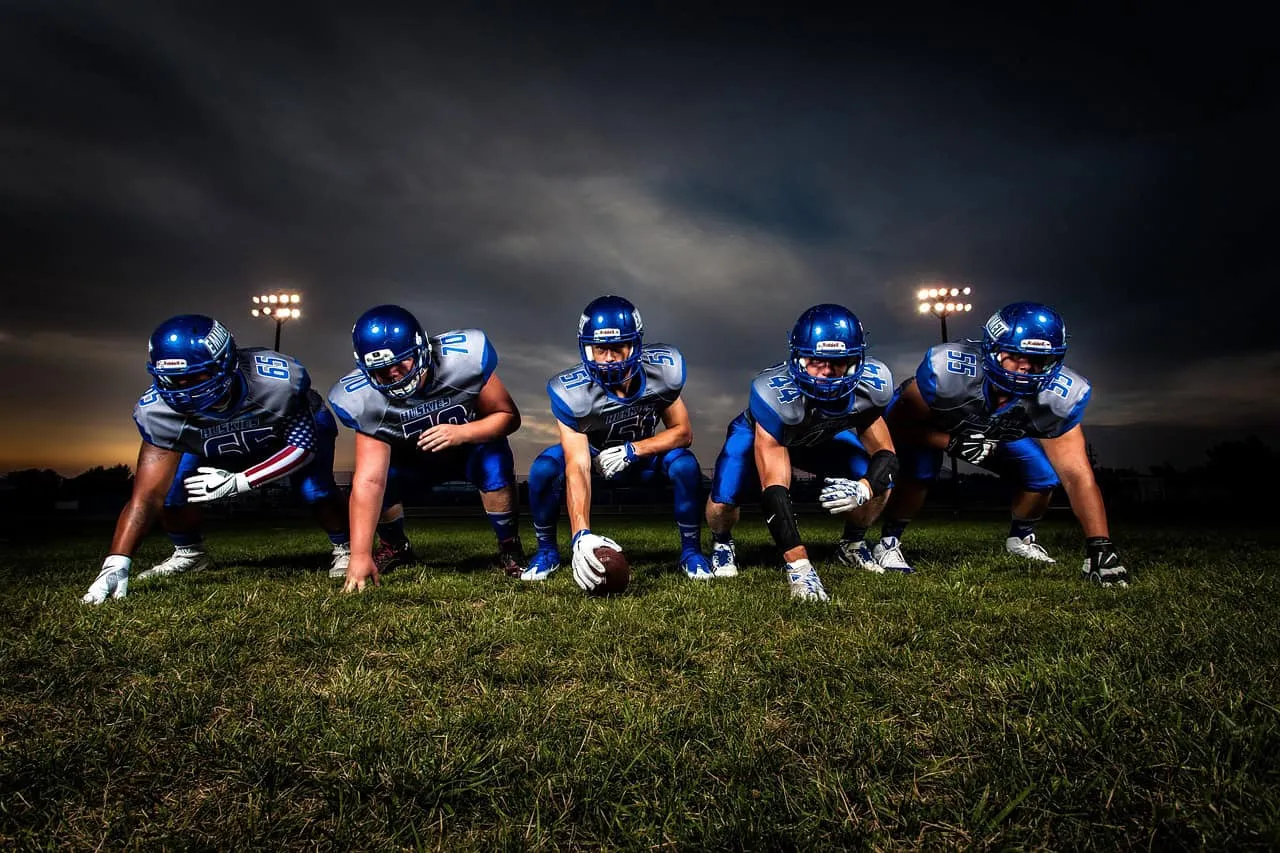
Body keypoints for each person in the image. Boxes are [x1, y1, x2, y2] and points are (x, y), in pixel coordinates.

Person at [82, 314, 351, 604]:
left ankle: (345, 547)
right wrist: (116, 562)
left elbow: (303, 448)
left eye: (196, 377)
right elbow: (146, 497)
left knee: (316, 488)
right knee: (173, 492)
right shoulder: (157, 413)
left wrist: (240, 482)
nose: (185, 389)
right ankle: (189, 553)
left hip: (283, 435)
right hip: (214, 444)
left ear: (227, 363)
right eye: (174, 380)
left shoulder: (277, 382)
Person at [869, 301, 1130, 586]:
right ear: (992, 349)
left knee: (1042, 477)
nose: (1026, 367)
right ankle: (889, 541)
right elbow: (898, 425)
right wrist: (950, 442)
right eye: (1016, 355)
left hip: (996, 431)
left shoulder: (1059, 398)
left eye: (1038, 359)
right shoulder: (948, 372)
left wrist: (1100, 545)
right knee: (921, 471)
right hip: (935, 425)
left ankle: (1020, 538)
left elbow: (1077, 476)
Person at [704, 304, 899, 602]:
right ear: (797, 358)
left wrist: (865, 487)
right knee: (723, 500)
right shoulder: (772, 394)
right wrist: (800, 566)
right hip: (767, 434)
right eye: (815, 361)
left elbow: (886, 454)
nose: (826, 373)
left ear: (857, 361)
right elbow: (775, 488)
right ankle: (722, 542)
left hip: (821, 438)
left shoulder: (873, 386)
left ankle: (852, 544)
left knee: (881, 482)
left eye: (838, 362)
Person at [520, 294, 713, 591]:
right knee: (544, 468)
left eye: (616, 348)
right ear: (587, 349)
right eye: (600, 349)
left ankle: (691, 552)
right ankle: (547, 551)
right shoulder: (572, 392)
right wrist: (581, 535)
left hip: (643, 454)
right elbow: (577, 465)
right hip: (594, 455)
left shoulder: (660, 373)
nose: (608, 358)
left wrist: (634, 450)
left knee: (686, 465)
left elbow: (682, 432)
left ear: (634, 345)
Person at [327, 304, 524, 592]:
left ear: (421, 350)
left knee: (494, 461)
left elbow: (508, 417)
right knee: (381, 479)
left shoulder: (465, 359)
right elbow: (369, 480)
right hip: (412, 459)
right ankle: (395, 546)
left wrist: (463, 432)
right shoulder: (361, 399)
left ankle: (509, 545)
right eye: (382, 371)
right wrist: (359, 555)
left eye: (401, 363)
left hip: (468, 448)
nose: (394, 375)